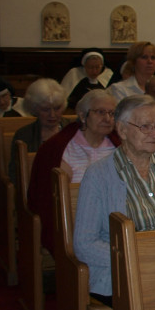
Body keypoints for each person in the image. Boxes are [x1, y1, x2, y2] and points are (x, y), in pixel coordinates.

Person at [73, 95, 155, 306]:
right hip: (125, 272)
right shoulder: (98, 175)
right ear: (122, 130)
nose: (154, 133)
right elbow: (85, 244)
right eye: (145, 127)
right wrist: (136, 258)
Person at [29, 89, 120, 251]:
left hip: (115, 218)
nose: (107, 118)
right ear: (82, 115)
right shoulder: (57, 148)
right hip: (74, 222)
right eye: (100, 112)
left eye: (112, 113)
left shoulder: (119, 147)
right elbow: (45, 197)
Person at [8, 79, 67, 190]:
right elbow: (15, 173)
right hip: (37, 190)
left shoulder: (74, 130)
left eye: (57, 108)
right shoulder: (24, 135)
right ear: (34, 109)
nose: (52, 114)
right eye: (45, 109)